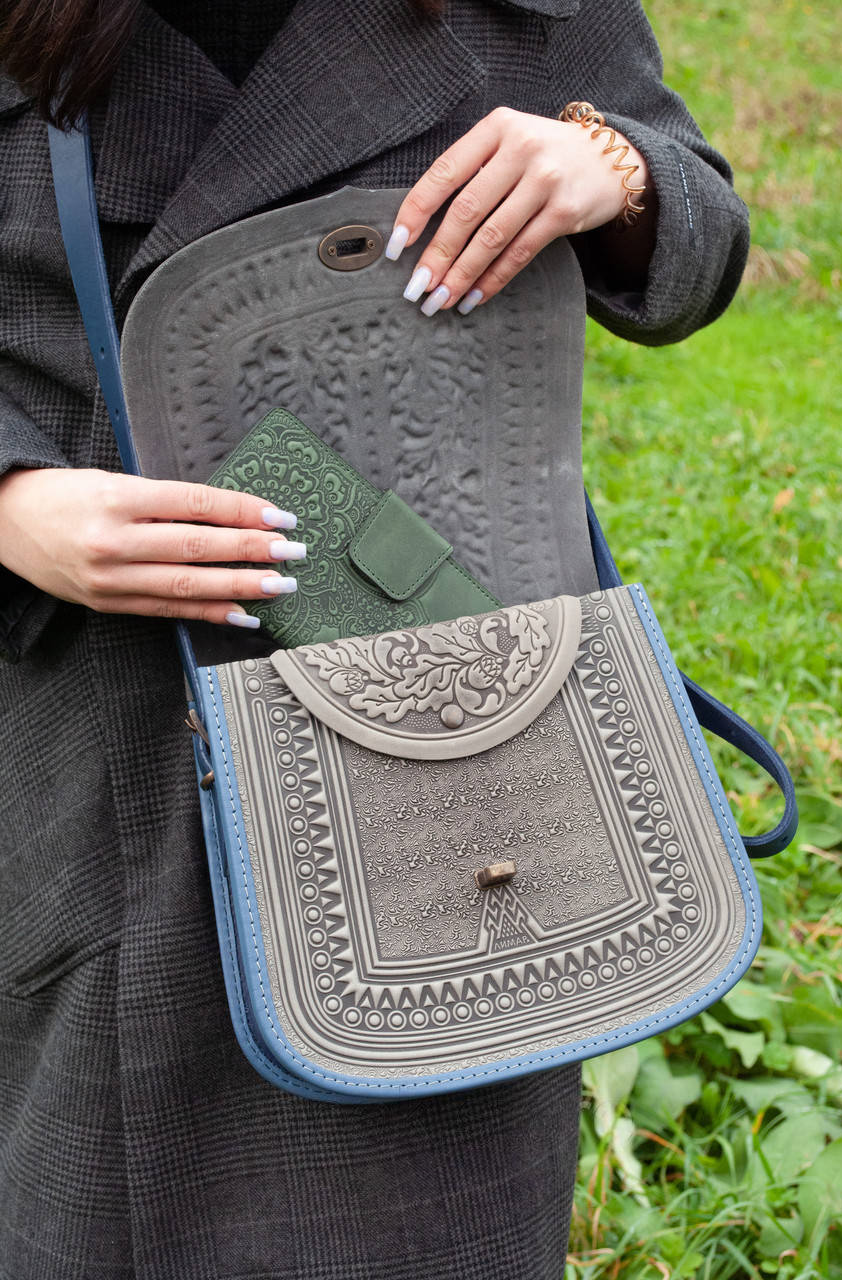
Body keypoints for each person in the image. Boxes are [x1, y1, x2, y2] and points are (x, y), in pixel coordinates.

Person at [0, 1, 749, 1276]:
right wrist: (13, 501)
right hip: (104, 735)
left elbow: (698, 238)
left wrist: (613, 167)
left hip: (456, 752)